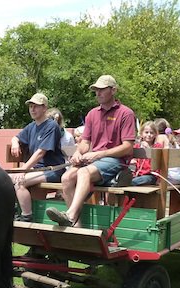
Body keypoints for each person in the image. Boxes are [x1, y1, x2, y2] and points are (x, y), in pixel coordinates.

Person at [46, 75, 136, 227]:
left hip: (116, 161)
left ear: (113, 90)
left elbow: (128, 146)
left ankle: (70, 215)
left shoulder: (125, 113)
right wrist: (77, 154)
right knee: (67, 177)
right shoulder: (92, 114)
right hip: (95, 161)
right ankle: (77, 227)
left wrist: (99, 154)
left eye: (102, 90)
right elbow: (85, 142)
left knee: (83, 172)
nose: (98, 93)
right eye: (96, 90)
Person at [9, 92, 66, 222]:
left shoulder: (51, 126)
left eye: (36, 106)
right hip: (36, 170)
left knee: (19, 182)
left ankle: (26, 215)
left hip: (52, 170)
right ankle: (13, 211)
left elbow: (41, 152)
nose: (32, 109)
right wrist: (14, 143)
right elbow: (16, 137)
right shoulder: (32, 126)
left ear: (45, 108)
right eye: (30, 106)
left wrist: (23, 169)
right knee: (5, 178)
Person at [131, 121, 164, 186]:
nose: (149, 135)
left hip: (151, 175)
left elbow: (157, 164)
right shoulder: (137, 146)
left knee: (137, 181)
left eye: (151, 133)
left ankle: (129, 182)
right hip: (137, 174)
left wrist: (148, 149)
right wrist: (132, 161)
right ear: (141, 133)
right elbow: (132, 160)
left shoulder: (158, 147)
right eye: (146, 132)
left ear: (155, 134)